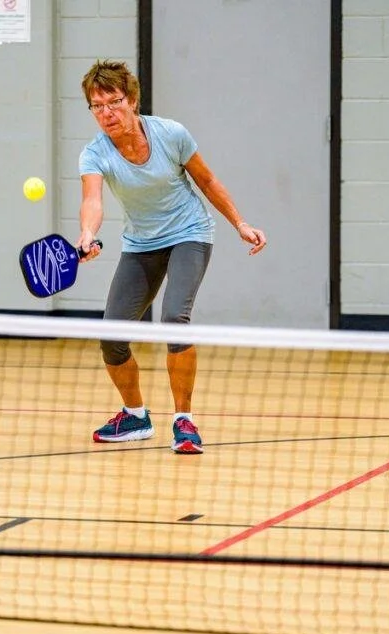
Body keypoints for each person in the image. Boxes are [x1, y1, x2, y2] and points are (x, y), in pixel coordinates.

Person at [77, 60, 267, 455]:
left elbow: (207, 179)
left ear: (131, 100)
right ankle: (134, 416)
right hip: (141, 243)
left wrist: (240, 223)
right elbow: (92, 200)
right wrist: (87, 234)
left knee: (174, 319)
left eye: (112, 102)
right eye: (97, 106)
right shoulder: (95, 154)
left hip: (189, 233)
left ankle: (184, 421)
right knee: (112, 336)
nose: (106, 113)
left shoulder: (170, 134)